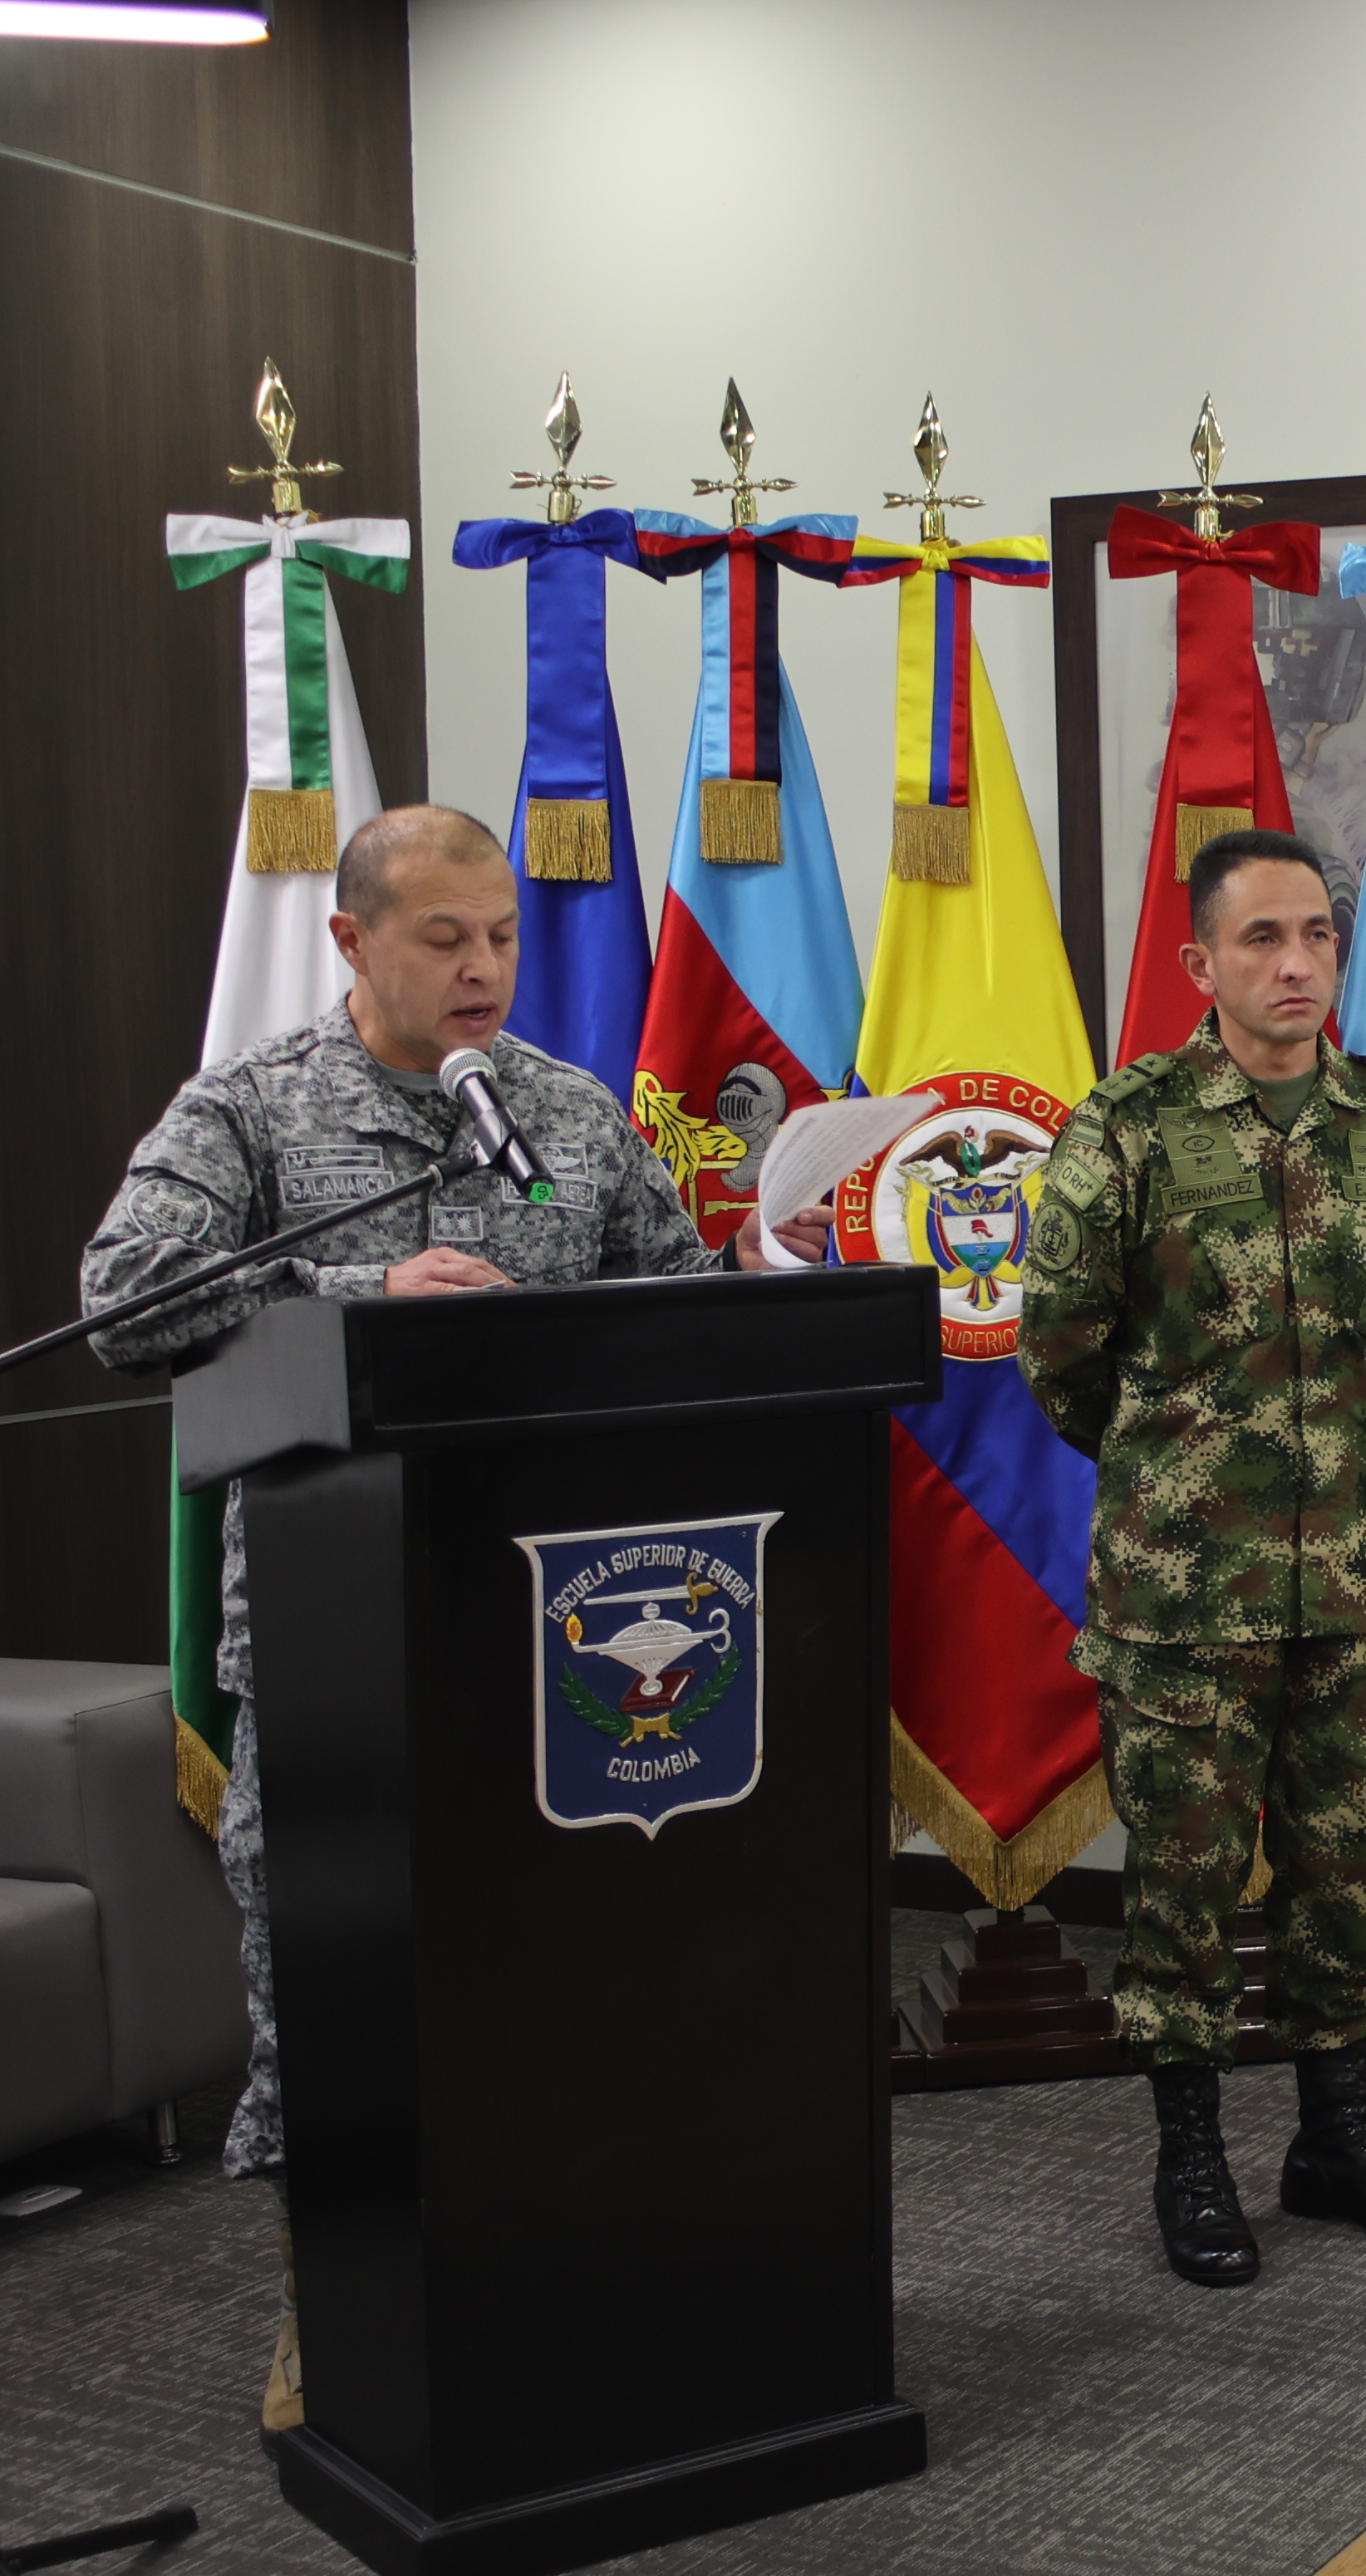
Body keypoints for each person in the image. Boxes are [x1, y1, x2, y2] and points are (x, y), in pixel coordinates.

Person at [78, 802, 814, 2431]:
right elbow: (121, 1297)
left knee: (549, 1995)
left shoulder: (558, 1107)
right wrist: (357, 1304)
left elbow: (671, 1315)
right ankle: (324, 2305)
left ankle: (557, 2280)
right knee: (336, 1993)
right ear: (351, 941)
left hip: (556, 1661)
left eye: (501, 936)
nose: (484, 968)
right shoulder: (254, 1112)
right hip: (343, 1659)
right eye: (443, 939)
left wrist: (770, 1272)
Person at [1014, 827, 1366, 2288]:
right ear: (1198, 963)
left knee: (1346, 1874)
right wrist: (1184, 1470)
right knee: (1186, 1886)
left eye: (1316, 938)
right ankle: (1190, 2152)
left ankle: (1335, 2136)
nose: (1294, 965)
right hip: (1182, 1590)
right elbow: (1061, 1355)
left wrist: (1317, 1473)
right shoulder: (1126, 1132)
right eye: (1262, 940)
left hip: (1352, 1581)